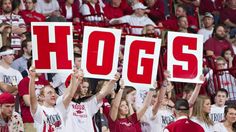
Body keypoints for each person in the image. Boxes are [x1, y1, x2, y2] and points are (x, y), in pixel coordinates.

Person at [29, 67, 82, 131]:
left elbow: (70, 95)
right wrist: (32, 78)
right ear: (41, 97)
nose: (53, 95)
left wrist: (75, 79)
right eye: (49, 93)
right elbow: (32, 97)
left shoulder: (59, 109)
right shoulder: (39, 111)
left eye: (54, 92)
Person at [18, 58, 49, 132]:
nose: (40, 68)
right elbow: (28, 102)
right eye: (37, 66)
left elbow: (51, 101)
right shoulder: (24, 82)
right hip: (30, 121)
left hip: (45, 119)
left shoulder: (45, 82)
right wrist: (44, 101)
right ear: (30, 68)